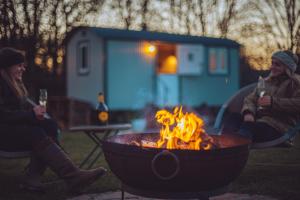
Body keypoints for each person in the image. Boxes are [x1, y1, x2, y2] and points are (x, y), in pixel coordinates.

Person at [0, 47, 106, 193]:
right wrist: (31, 114)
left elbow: (17, 112)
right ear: (7, 66)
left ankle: (35, 179)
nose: (22, 68)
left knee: (49, 124)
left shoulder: (14, 85)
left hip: (13, 130)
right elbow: (4, 115)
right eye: (19, 65)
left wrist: (34, 115)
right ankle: (73, 176)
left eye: (23, 65)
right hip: (4, 135)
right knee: (36, 132)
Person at [238, 50, 300, 143]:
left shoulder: (295, 83)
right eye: (272, 63)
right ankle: (225, 150)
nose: (272, 67)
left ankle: (236, 152)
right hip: (260, 121)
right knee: (233, 120)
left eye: (277, 65)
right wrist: (248, 112)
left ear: (287, 67)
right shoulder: (266, 82)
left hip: (279, 127)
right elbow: (251, 99)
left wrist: (273, 102)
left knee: (247, 129)